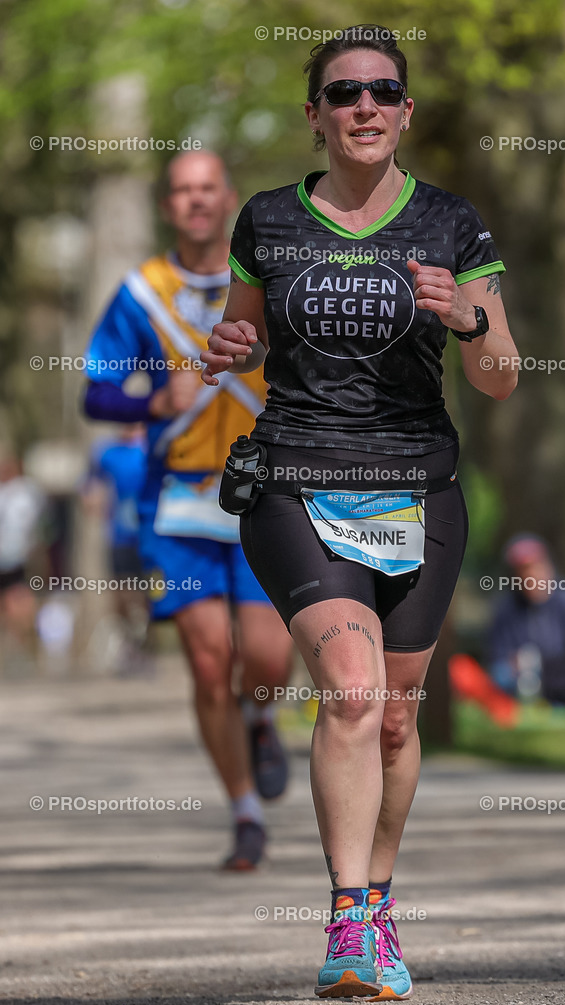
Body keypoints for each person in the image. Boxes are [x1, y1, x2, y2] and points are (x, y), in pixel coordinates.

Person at [201, 25, 518, 1000]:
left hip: (417, 491)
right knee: (350, 687)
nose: (365, 107)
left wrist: (463, 319)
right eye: (343, 94)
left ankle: (377, 899)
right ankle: (346, 923)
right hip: (295, 480)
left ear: (406, 110)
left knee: (392, 719)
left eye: (383, 90)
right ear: (315, 115)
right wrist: (226, 349)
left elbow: (499, 375)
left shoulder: (451, 225)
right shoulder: (266, 220)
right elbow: (246, 335)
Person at [82, 151, 293, 870]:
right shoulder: (143, 292)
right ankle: (242, 812)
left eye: (208, 189)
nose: (197, 202)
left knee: (266, 658)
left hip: (264, 488)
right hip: (178, 496)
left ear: (227, 197)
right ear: (168, 205)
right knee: (210, 664)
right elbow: (95, 391)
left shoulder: (271, 275)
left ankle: (261, 716)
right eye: (182, 191)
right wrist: (150, 401)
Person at [487, 534, 565, 704]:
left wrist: (544, 666)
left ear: (548, 567)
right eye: (521, 571)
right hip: (520, 696)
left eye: (533, 567)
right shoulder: (507, 609)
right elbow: (498, 664)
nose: (529, 576)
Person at [83, 425, 150, 674]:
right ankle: (130, 644)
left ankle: (143, 644)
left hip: (150, 534)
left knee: (148, 594)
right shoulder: (106, 452)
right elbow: (90, 483)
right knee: (121, 593)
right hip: (119, 535)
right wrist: (91, 498)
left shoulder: (151, 445)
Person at [0, 452, 45, 671]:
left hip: (17, 556)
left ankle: (27, 643)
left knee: (18, 601)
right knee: (9, 605)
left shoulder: (26, 491)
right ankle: (15, 645)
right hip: (4, 555)